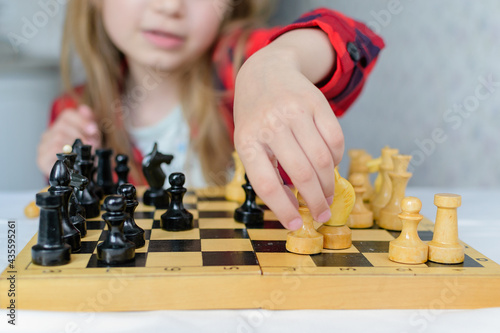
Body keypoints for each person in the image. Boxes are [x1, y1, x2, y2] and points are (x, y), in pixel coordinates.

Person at [36, 0, 384, 231]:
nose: (169, 6)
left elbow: (359, 41)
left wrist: (276, 62)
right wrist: (58, 170)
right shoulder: (75, 111)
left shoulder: (238, 65)